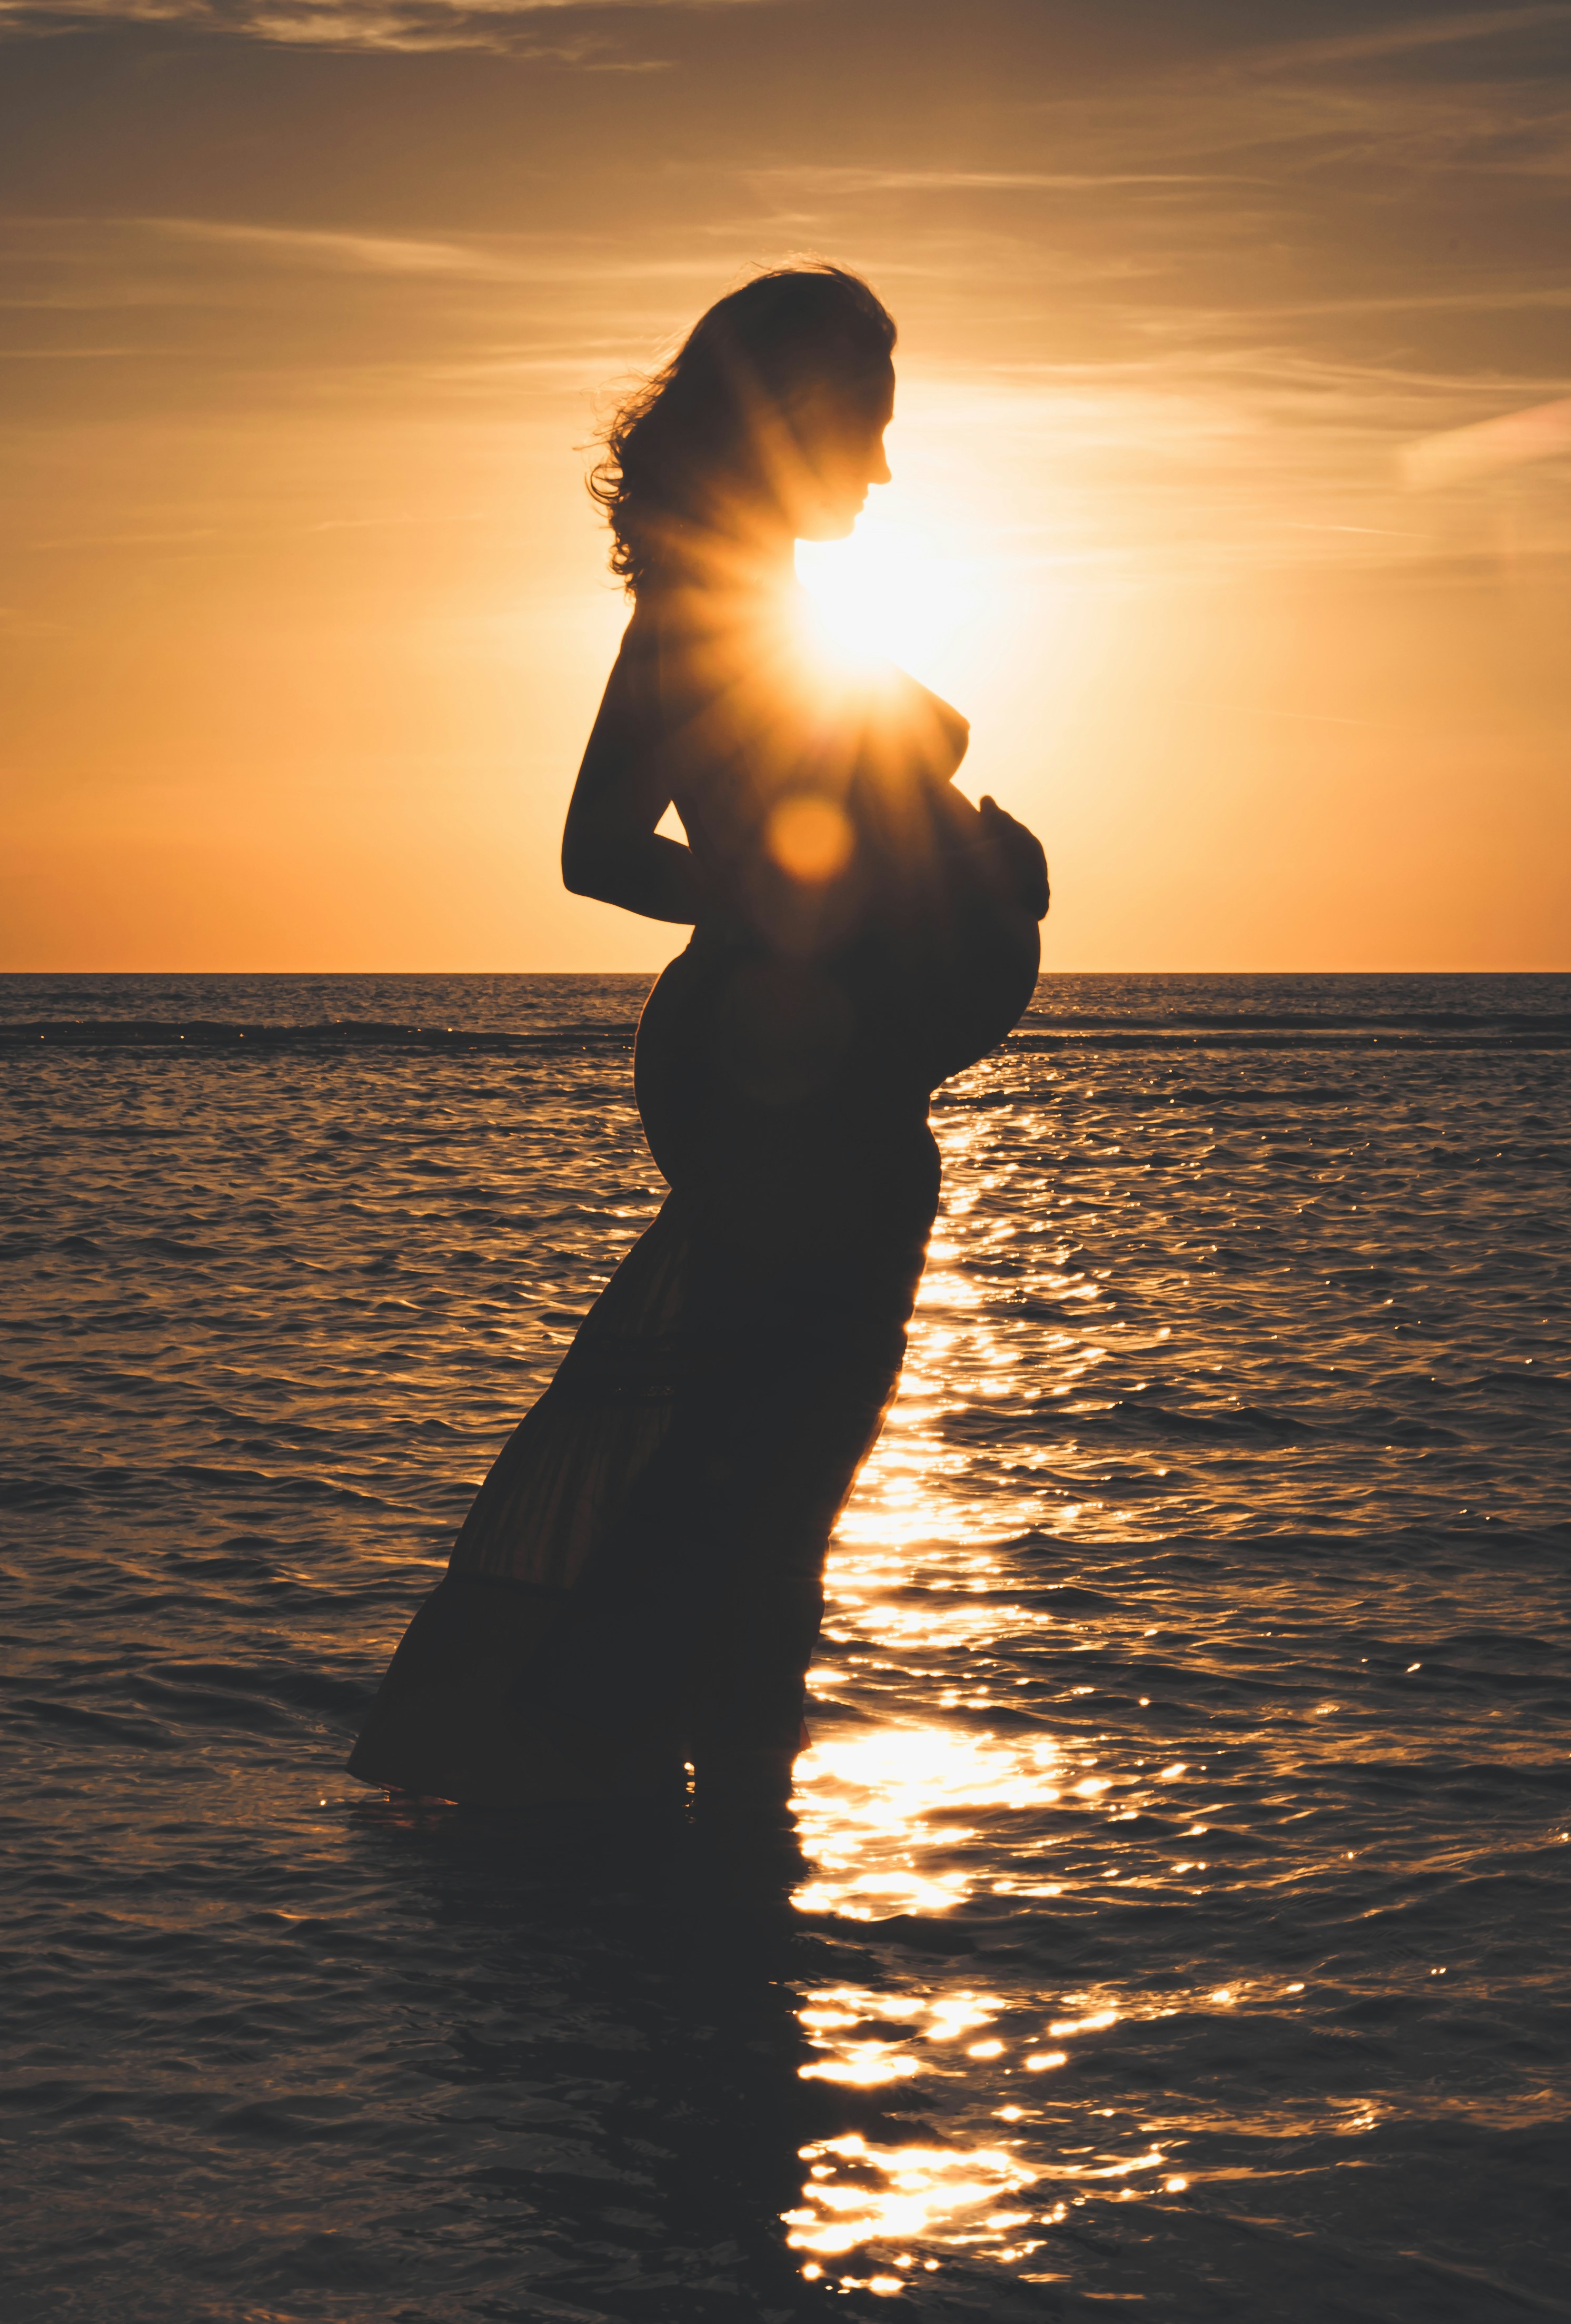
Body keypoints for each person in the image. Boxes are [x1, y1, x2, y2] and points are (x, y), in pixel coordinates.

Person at [349, 264, 1047, 1814]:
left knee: (757, 1451)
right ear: (787, 419)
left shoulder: (726, 599)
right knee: (775, 1471)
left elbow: (619, 848)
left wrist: (940, 885)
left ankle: (657, 1825)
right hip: (788, 1077)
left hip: (801, 1069)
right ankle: (689, 1826)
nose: (880, 465)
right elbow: (630, 853)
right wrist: (797, 917)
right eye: (863, 422)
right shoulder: (710, 610)